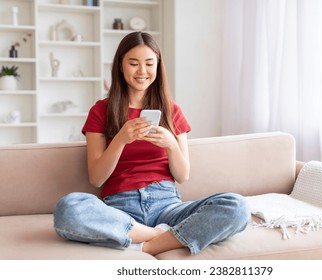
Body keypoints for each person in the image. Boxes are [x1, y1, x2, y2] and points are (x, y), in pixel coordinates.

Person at [53, 31, 250, 256]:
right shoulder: (101, 111)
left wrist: (171, 144)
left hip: (168, 205)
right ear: (120, 66)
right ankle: (164, 234)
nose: (142, 71)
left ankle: (147, 244)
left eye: (149, 63)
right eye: (133, 63)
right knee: (68, 208)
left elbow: (183, 176)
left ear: (158, 66)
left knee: (237, 207)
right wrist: (120, 140)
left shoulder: (172, 111)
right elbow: (96, 178)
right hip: (120, 207)